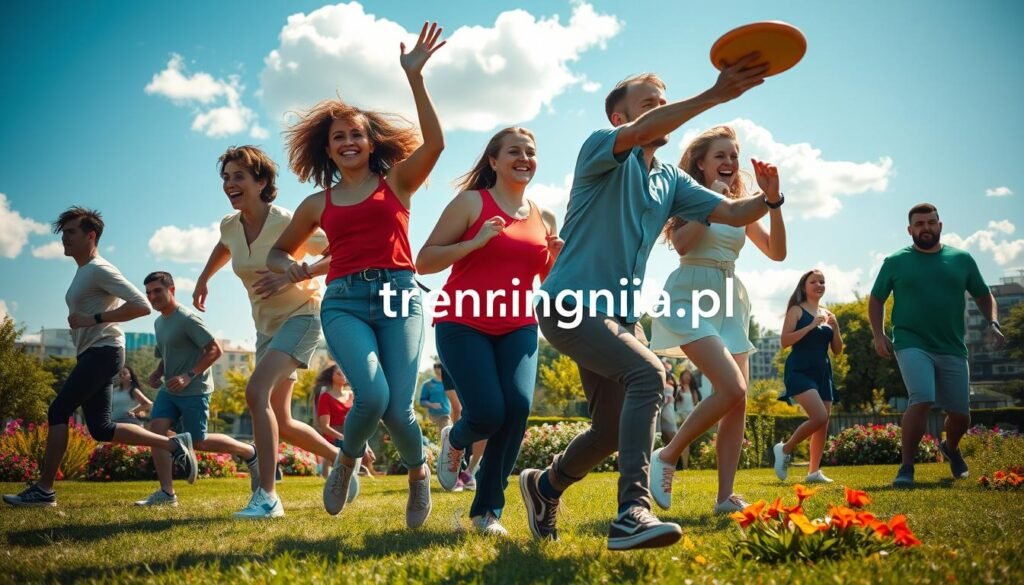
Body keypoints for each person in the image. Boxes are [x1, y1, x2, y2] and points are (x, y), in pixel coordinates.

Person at [518, 60, 776, 551]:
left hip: (619, 317)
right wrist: (714, 95)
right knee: (649, 374)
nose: (661, 108)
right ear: (621, 118)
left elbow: (735, 211)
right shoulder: (600, 147)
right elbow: (642, 133)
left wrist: (772, 198)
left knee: (610, 432)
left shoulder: (670, 181)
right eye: (649, 103)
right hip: (569, 304)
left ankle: (544, 485)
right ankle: (631, 514)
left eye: (663, 101)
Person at [267, 21, 447, 528]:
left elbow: (435, 144)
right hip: (344, 300)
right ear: (328, 149)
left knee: (398, 410)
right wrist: (291, 267)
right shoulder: (316, 203)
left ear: (370, 143)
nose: (348, 142)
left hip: (399, 297)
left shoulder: (398, 182)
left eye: (356, 135)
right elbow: (279, 253)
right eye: (339, 137)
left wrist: (415, 77)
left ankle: (418, 474)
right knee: (372, 395)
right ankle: (346, 462)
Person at [417, 126, 560, 536]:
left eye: (530, 151)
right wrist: (474, 242)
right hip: (462, 321)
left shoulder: (544, 216)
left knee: (516, 408)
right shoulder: (470, 203)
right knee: (487, 412)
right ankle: (456, 438)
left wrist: (555, 260)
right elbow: (424, 260)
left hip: (518, 324)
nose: (524, 158)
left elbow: (544, 280)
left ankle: (486, 512)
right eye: (514, 151)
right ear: (493, 161)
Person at [4, 207, 197, 507]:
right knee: (101, 428)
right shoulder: (84, 272)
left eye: (71, 232)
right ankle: (173, 445)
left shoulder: (99, 269)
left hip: (104, 351)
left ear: (91, 236)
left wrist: (93, 319)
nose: (64, 238)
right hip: (93, 353)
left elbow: (141, 305)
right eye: (63, 233)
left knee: (58, 410)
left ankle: (44, 489)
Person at [192, 145, 341, 519]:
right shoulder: (230, 225)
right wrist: (204, 278)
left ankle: (268, 497)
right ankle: (344, 459)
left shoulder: (286, 222)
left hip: (303, 315)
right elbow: (225, 246)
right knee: (281, 418)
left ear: (261, 182)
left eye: (239, 176)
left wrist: (298, 273)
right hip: (265, 327)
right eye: (226, 177)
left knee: (255, 391)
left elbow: (339, 250)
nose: (230, 184)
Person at [648, 125, 787, 514]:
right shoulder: (689, 197)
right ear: (701, 163)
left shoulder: (742, 206)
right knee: (731, 387)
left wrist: (773, 201)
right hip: (690, 294)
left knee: (737, 400)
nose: (729, 162)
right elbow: (682, 244)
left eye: (734, 156)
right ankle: (668, 454)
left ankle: (725, 496)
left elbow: (777, 252)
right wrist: (713, 200)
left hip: (730, 300)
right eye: (720, 156)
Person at [869, 203, 1003, 487]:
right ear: (910, 230)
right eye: (919, 224)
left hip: (951, 345)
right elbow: (876, 298)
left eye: (931, 222)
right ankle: (906, 467)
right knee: (922, 397)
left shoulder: (961, 259)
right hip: (910, 341)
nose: (926, 228)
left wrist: (992, 321)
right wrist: (878, 334)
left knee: (961, 415)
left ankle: (951, 448)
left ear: (940, 226)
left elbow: (983, 294)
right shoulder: (895, 261)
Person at [135, 271, 261, 506]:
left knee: (198, 442)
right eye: (148, 293)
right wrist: (158, 372)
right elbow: (167, 354)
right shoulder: (159, 322)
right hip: (169, 390)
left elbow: (215, 350)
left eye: (157, 291)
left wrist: (188, 375)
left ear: (172, 290)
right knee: (156, 433)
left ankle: (249, 452)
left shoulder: (187, 319)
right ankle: (167, 494)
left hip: (195, 390)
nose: (152, 297)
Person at [772, 270, 844, 484]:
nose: (819, 285)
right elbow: (785, 341)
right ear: (804, 287)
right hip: (799, 370)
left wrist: (835, 328)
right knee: (819, 416)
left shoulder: (828, 313)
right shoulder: (796, 310)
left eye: (822, 281)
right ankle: (785, 449)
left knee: (823, 422)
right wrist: (812, 326)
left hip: (823, 372)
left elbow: (837, 350)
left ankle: (813, 472)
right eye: (814, 281)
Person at [315, 364, 370, 498]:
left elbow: (360, 420)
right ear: (331, 376)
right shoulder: (325, 397)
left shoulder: (352, 395)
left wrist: (364, 441)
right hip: (333, 436)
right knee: (341, 454)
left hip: (351, 433)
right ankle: (332, 478)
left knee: (361, 451)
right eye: (338, 373)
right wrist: (343, 437)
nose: (343, 376)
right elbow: (325, 426)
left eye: (344, 372)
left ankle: (357, 474)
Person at [441, 364, 484, 491]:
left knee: (485, 414)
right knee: (458, 409)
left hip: (480, 363)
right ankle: (455, 449)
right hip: (453, 362)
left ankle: (470, 472)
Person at [674, 369, 700, 468]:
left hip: (689, 418)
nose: (687, 377)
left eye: (689, 375)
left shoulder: (693, 390)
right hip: (679, 418)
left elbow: (695, 403)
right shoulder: (678, 388)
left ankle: (685, 465)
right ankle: (679, 464)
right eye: (685, 375)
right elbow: (674, 400)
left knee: (686, 443)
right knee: (678, 442)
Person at [419, 362, 452, 431]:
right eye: (435, 367)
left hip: (445, 416)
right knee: (433, 435)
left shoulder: (449, 383)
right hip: (432, 417)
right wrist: (431, 405)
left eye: (439, 367)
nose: (437, 369)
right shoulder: (428, 384)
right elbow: (422, 401)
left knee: (445, 435)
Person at [657, 360, 678, 445]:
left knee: (671, 436)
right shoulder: (660, 377)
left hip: (667, 410)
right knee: (665, 437)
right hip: (662, 411)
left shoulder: (669, 378)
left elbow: (671, 396)